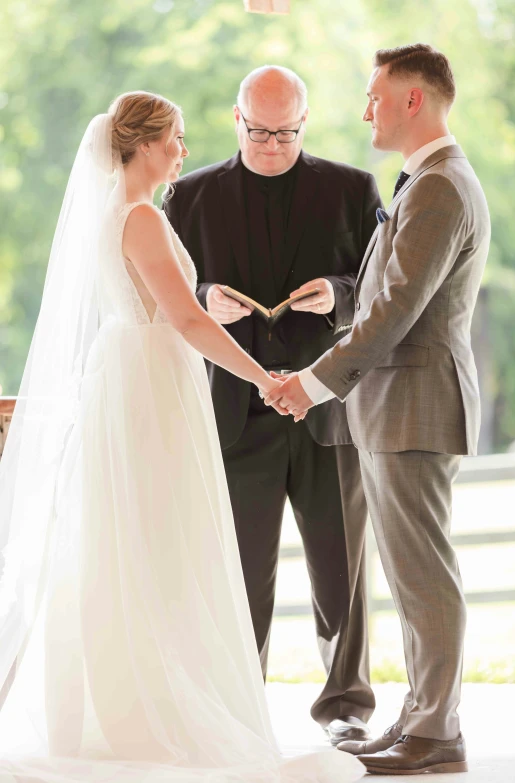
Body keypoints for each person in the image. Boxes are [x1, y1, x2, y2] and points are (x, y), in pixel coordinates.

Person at [0, 91, 365, 783]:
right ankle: (149, 707)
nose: (184, 152)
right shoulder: (138, 215)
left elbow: (177, 310)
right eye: (176, 139)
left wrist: (206, 309)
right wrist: (266, 378)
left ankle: (144, 694)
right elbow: (188, 323)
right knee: (156, 536)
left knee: (142, 536)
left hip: (140, 372)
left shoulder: (124, 213)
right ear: (142, 144)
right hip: (148, 383)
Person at [265, 44, 490, 775]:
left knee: (423, 573)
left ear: (413, 101)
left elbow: (392, 311)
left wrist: (312, 380)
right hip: (397, 405)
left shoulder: (440, 187)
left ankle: (437, 733)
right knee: (411, 570)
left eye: (374, 96)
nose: (365, 110)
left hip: (414, 405)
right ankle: (421, 719)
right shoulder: (427, 182)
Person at [164, 66, 381, 745]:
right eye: (259, 131)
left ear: (306, 121)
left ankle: (347, 705)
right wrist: (204, 302)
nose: (271, 143)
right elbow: (167, 293)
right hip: (235, 413)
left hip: (326, 409)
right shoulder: (189, 196)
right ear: (235, 119)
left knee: (342, 568)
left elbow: (379, 289)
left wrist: (338, 295)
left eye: (285, 132)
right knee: (238, 573)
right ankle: (236, 707)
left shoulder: (352, 188)